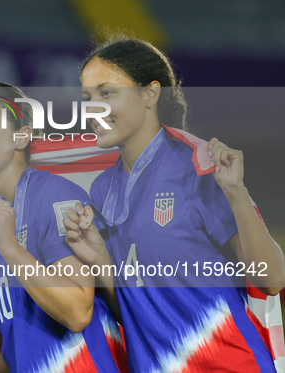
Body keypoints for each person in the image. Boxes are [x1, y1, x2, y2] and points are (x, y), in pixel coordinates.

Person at [65, 37, 285, 372]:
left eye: (107, 93)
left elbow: (272, 279)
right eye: (87, 98)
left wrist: (236, 192)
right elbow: (129, 305)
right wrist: (98, 257)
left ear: (151, 94)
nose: (92, 108)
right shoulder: (102, 189)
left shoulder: (198, 165)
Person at [0, 82, 128, 373]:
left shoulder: (54, 197)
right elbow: (13, 353)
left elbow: (78, 311)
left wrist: (11, 248)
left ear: (21, 137)